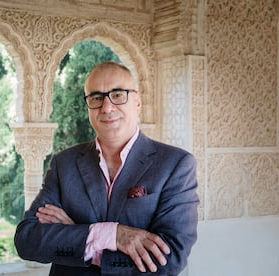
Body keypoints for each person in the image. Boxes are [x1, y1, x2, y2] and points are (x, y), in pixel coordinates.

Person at [14, 61, 199, 275]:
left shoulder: (176, 164)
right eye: (96, 98)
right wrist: (112, 235)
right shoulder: (64, 163)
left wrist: (79, 238)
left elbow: (169, 259)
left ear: (137, 102)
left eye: (118, 94)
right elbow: (27, 240)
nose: (107, 107)